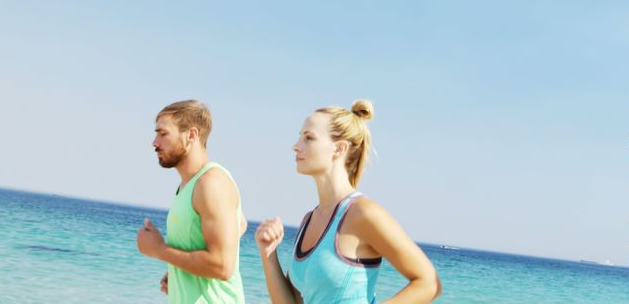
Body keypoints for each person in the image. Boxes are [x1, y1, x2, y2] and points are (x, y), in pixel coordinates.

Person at [255, 99, 440, 303]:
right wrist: (269, 254)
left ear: (339, 149)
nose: (296, 146)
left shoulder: (363, 213)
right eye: (299, 137)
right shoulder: (309, 219)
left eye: (308, 138)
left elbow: (428, 283)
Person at [137, 100, 248, 303]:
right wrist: (183, 269)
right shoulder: (189, 186)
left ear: (191, 135)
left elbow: (223, 266)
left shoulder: (211, 183)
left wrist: (159, 250)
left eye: (163, 134)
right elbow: (239, 223)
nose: (155, 142)